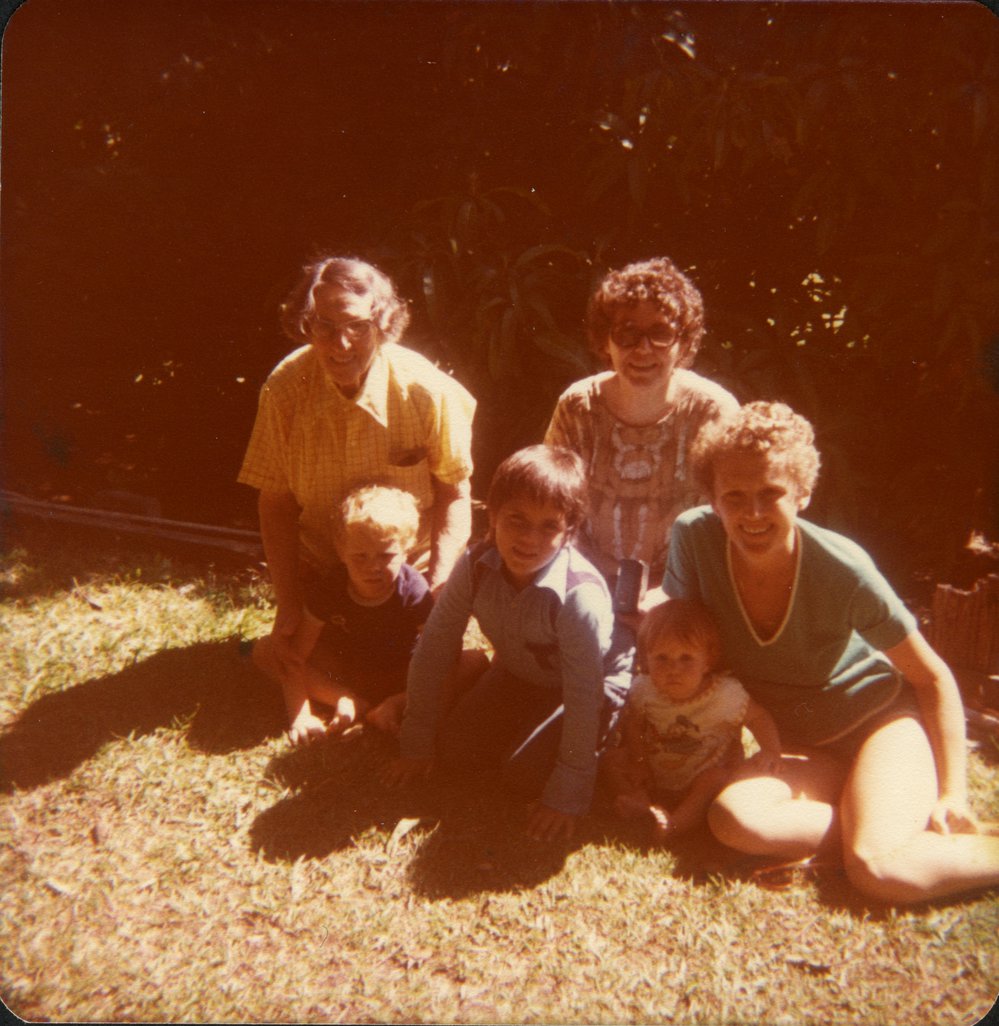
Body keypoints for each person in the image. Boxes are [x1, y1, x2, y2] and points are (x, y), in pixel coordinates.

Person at [663, 400, 999, 903]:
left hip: (880, 726)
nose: (752, 513)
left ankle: (889, 837)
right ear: (712, 498)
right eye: (734, 495)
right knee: (734, 820)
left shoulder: (844, 571)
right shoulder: (694, 539)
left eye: (771, 493)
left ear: (802, 493)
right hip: (810, 750)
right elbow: (684, 638)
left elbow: (932, 678)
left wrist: (954, 793)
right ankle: (871, 819)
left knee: (879, 871)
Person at [239, 255, 476, 681]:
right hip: (326, 576)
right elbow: (274, 503)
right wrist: (291, 603)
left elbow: (455, 494)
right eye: (324, 326)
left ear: (382, 325)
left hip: (404, 572)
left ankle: (357, 687)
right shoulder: (285, 389)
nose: (340, 344)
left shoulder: (426, 390)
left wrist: (438, 590)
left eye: (357, 327)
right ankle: (354, 689)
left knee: (439, 665)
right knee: (294, 656)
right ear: (305, 325)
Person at [382, 445, 634, 842]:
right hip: (518, 673)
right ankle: (529, 724)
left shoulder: (578, 596)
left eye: (549, 526)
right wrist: (416, 743)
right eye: (516, 519)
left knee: (525, 775)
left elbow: (585, 695)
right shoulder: (475, 565)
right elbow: (435, 648)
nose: (529, 539)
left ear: (569, 532)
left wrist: (568, 793)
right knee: (454, 750)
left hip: (591, 687)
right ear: (493, 515)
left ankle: (604, 750)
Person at [544, 256, 738, 594]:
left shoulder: (714, 412)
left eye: (660, 333)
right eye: (627, 333)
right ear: (606, 340)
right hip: (581, 581)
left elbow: (733, 518)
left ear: (684, 342)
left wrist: (668, 594)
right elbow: (548, 501)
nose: (643, 348)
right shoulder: (577, 406)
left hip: (686, 587)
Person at [260, 484, 433, 744]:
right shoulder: (330, 588)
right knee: (266, 650)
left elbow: (438, 657)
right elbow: (296, 655)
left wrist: (408, 696)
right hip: (345, 673)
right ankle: (348, 700)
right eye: (360, 557)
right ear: (341, 552)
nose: (373, 567)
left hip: (403, 675)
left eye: (386, 555)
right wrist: (301, 715)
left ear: (407, 549)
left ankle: (393, 705)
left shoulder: (414, 590)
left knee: (472, 662)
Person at [607, 599, 781, 842]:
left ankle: (675, 825)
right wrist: (639, 762)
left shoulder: (725, 695)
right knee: (612, 759)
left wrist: (771, 750)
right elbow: (633, 725)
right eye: (662, 658)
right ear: (646, 659)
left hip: (703, 774)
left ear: (708, 660)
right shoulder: (644, 691)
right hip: (654, 772)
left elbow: (759, 717)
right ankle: (641, 801)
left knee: (714, 779)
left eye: (686, 658)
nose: (673, 669)